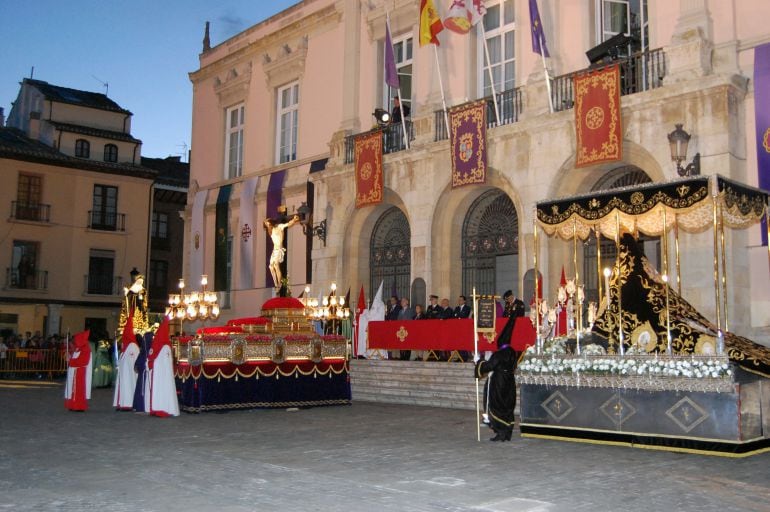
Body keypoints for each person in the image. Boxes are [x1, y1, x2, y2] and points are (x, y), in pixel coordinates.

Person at [474, 315, 519, 442]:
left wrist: (479, 362)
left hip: (499, 382)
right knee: (507, 406)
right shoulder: (512, 353)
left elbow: (489, 366)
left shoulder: (499, 354)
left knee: (497, 405)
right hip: (509, 381)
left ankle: (500, 431)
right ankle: (507, 432)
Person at [146, 319, 180, 417]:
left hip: (162, 375)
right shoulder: (165, 347)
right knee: (159, 391)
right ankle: (157, 408)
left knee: (162, 391)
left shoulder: (165, 348)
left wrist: (152, 363)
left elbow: (162, 362)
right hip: (159, 375)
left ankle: (163, 408)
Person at [264, 206, 301, 289]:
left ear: (271, 223)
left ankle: (279, 284)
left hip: (279, 249)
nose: (268, 226)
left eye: (268, 224)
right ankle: (276, 284)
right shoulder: (271, 231)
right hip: (274, 250)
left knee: (276, 265)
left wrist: (294, 220)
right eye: (266, 225)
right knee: (271, 266)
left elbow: (288, 224)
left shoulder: (279, 227)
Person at [113, 311, 140, 410]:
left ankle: (128, 403)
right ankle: (122, 402)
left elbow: (133, 361)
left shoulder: (133, 346)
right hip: (124, 373)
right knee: (124, 387)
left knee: (129, 386)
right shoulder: (126, 346)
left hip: (130, 373)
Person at [64, 330, 92, 412]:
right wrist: (70, 357)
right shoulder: (78, 348)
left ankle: (79, 406)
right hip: (75, 371)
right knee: (73, 389)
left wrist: (71, 361)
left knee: (78, 389)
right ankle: (72, 404)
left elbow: (83, 361)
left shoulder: (86, 349)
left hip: (80, 372)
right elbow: (75, 357)